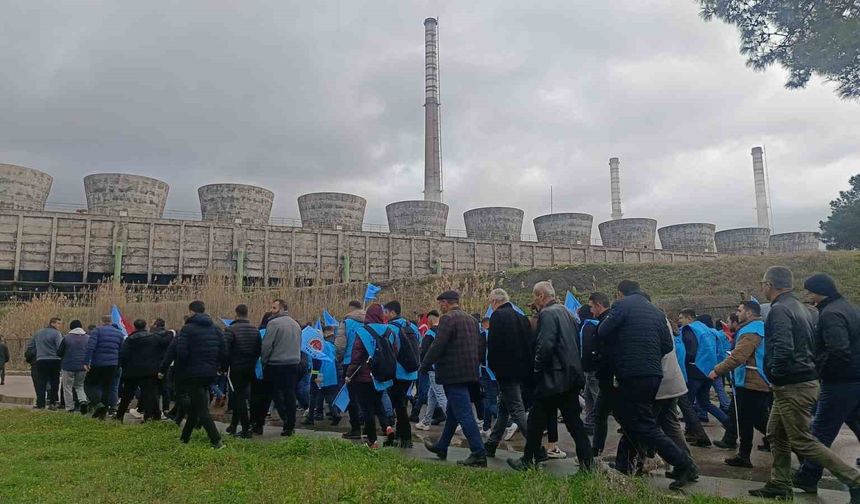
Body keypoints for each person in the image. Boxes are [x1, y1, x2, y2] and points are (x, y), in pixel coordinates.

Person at [749, 267, 860, 502]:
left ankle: (854, 479)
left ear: (769, 285)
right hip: (800, 380)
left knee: (802, 439)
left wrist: (776, 376)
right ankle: (780, 483)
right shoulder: (800, 307)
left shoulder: (779, 310)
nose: (762, 287)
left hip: (792, 384)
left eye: (763, 283)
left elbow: (783, 348)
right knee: (775, 433)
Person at [598, 280, 698, 490]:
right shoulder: (656, 311)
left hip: (631, 373)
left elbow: (603, 331)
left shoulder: (621, 306)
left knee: (644, 424)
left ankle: (684, 463)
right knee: (633, 421)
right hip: (653, 374)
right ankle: (624, 466)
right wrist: (648, 358)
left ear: (620, 294)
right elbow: (667, 344)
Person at [507, 281, 593, 472]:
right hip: (570, 376)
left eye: (534, 296)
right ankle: (587, 463)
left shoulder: (547, 314)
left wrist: (537, 370)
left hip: (552, 378)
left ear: (540, 296)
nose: (533, 301)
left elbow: (545, 345)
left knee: (536, 421)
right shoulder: (567, 313)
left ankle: (528, 460)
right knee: (573, 423)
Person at [792, 274, 860, 496]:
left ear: (819, 292)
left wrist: (820, 369)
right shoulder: (850, 308)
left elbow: (838, 350)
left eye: (810, 292)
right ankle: (808, 474)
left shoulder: (831, 314)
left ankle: (809, 475)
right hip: (855, 378)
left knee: (821, 432)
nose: (808, 296)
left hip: (839, 382)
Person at [422, 290, 487, 467]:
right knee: (452, 413)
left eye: (440, 303)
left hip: (453, 374)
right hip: (469, 372)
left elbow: (438, 345)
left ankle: (478, 453)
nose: (440, 307)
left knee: (464, 414)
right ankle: (442, 446)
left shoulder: (447, 319)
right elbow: (479, 346)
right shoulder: (472, 320)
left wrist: (425, 365)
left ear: (445, 303)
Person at [709, 301, 771, 468]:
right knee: (756, 419)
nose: (737, 313)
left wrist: (717, 370)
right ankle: (747, 453)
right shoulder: (757, 327)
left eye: (739, 310)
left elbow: (738, 356)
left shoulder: (751, 331)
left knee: (749, 420)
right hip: (753, 380)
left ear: (749, 313)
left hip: (752, 381)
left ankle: (745, 455)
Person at [483, 288, 533, 458]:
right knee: (503, 409)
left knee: (517, 409)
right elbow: (528, 344)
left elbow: (494, 345)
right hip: (521, 369)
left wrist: (494, 368)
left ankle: (536, 447)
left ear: (495, 301)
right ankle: (491, 444)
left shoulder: (497, 316)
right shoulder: (521, 317)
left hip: (505, 370)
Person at [174, 300, 226, 448]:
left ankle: (216, 440)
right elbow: (223, 350)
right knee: (196, 406)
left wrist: (181, 371)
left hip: (192, 372)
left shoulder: (187, 329)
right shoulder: (216, 329)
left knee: (202, 409)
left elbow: (181, 353)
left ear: (191, 312)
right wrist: (221, 367)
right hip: (210, 372)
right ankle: (184, 438)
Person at [346, 304, 394, 449]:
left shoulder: (362, 331)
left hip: (364, 376)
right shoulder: (389, 330)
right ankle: (387, 427)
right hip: (382, 375)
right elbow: (394, 351)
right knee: (378, 403)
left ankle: (372, 441)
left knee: (367, 409)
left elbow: (356, 355)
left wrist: (349, 374)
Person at [678, 309, 729, 428]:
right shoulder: (707, 329)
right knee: (705, 402)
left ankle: (692, 430)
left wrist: (685, 364)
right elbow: (719, 349)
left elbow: (690, 351)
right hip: (709, 370)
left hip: (694, 370)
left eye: (681, 318)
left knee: (687, 403)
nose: (679, 321)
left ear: (689, 318)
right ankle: (728, 422)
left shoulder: (689, 329)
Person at [261, 299, 302, 437]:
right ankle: (291, 424)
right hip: (293, 363)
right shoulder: (295, 324)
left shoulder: (273, 323)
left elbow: (267, 345)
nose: (271, 310)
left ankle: (283, 419)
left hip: (276, 363)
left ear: (282, 308)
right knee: (290, 394)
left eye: (274, 308)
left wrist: (264, 361)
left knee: (275, 394)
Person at [115, 319, 169, 422]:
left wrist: (123, 366)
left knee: (127, 395)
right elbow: (163, 346)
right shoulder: (154, 338)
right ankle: (149, 417)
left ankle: (119, 416)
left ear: (135, 327)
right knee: (150, 394)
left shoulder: (130, 339)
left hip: (132, 371)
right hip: (149, 371)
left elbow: (123, 354)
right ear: (145, 326)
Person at [383, 300, 419, 448]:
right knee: (402, 403)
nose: (384, 315)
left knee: (399, 406)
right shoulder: (412, 326)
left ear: (392, 312)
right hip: (411, 372)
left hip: (398, 372)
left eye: (386, 312)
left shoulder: (390, 328)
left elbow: (389, 351)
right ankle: (399, 433)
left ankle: (406, 437)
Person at [224, 304, 262, 438]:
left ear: (236, 314)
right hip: (250, 367)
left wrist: (223, 367)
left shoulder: (230, 329)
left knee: (238, 397)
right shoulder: (255, 330)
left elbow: (225, 350)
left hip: (236, 367)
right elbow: (259, 350)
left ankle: (246, 428)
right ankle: (233, 425)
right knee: (240, 396)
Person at [584, 292, 614, 455]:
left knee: (602, 412)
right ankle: (595, 450)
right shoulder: (606, 320)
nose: (590, 311)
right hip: (606, 375)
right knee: (599, 412)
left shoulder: (606, 323)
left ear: (598, 305)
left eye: (591, 307)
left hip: (608, 376)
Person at [335, 300, 367, 439]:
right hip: (366, 363)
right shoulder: (369, 321)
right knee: (365, 396)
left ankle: (355, 428)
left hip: (349, 363)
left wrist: (339, 358)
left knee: (351, 397)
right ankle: (368, 428)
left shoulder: (346, 322)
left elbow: (340, 345)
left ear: (351, 309)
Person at [84, 315, 125, 420]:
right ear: (111, 321)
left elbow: (90, 347)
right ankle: (103, 414)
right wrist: (119, 364)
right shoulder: (119, 333)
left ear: (102, 321)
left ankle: (98, 404)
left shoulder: (97, 331)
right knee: (107, 388)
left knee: (89, 385)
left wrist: (86, 361)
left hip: (98, 363)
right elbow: (121, 352)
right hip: (112, 364)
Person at [416, 310, 447, 430]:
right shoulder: (444, 331)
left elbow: (424, 351)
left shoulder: (429, 334)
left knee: (440, 395)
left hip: (433, 368)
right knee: (432, 395)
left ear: (430, 320)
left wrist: (423, 366)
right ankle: (426, 421)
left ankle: (455, 421)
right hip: (442, 366)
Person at [27, 317, 64, 410]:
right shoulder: (56, 333)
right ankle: (52, 403)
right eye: (58, 323)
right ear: (52, 323)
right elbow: (59, 347)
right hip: (55, 360)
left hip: (41, 359)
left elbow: (31, 346)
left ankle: (41, 404)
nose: (60, 325)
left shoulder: (38, 333)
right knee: (54, 381)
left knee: (41, 382)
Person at [57, 320, 89, 413]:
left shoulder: (66, 338)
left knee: (67, 387)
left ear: (71, 327)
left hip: (68, 366)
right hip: (83, 366)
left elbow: (59, 352)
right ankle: (83, 401)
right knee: (79, 385)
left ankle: (70, 407)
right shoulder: (88, 338)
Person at [150, 318, 175, 419]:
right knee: (165, 388)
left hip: (153, 364)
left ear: (155, 325)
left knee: (154, 389)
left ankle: (156, 411)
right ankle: (166, 409)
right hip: (165, 364)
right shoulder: (169, 335)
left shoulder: (151, 336)